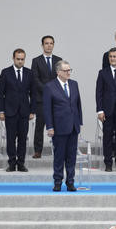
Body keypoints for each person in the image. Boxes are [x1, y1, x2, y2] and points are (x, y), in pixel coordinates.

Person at [43, 60, 83, 192]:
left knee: (72, 157)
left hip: (73, 126)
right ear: (58, 72)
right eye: (66, 70)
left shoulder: (74, 84)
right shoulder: (50, 86)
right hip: (59, 127)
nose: (68, 73)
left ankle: (70, 182)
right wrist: (50, 126)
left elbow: (78, 105)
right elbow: (47, 109)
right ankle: (58, 182)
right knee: (59, 157)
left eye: (69, 70)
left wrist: (79, 122)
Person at [0, 49, 35, 172]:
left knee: (23, 139)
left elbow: (33, 93)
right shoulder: (6, 72)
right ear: (13, 58)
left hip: (24, 111)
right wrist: (1, 111)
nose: (20, 61)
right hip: (10, 111)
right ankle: (12, 163)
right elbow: (0, 93)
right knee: (11, 138)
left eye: (22, 59)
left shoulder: (29, 73)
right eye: (18, 59)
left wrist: (32, 110)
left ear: (24, 59)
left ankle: (21, 163)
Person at [30, 35, 62, 158]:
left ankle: (58, 149)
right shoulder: (36, 60)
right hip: (41, 99)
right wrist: (48, 90)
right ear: (42, 45)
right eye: (46, 43)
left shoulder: (59, 60)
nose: (49, 45)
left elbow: (61, 77)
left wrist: (54, 92)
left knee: (57, 125)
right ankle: (38, 151)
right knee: (40, 126)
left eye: (51, 43)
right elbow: (35, 79)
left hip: (56, 99)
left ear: (53, 45)